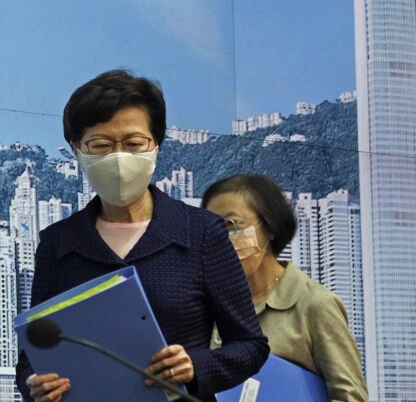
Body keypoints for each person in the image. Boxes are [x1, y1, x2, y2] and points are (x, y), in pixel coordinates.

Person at [15, 70, 268, 402]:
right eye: (101, 145)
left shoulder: (201, 233)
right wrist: (34, 385)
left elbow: (250, 346)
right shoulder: (57, 244)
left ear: (156, 145)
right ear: (77, 150)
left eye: (134, 144)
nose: (119, 158)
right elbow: (32, 356)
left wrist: (196, 365)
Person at [202, 174, 368, 402]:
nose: (222, 239)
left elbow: (351, 397)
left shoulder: (316, 305)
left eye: (232, 224)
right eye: (213, 229)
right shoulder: (208, 307)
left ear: (269, 227)